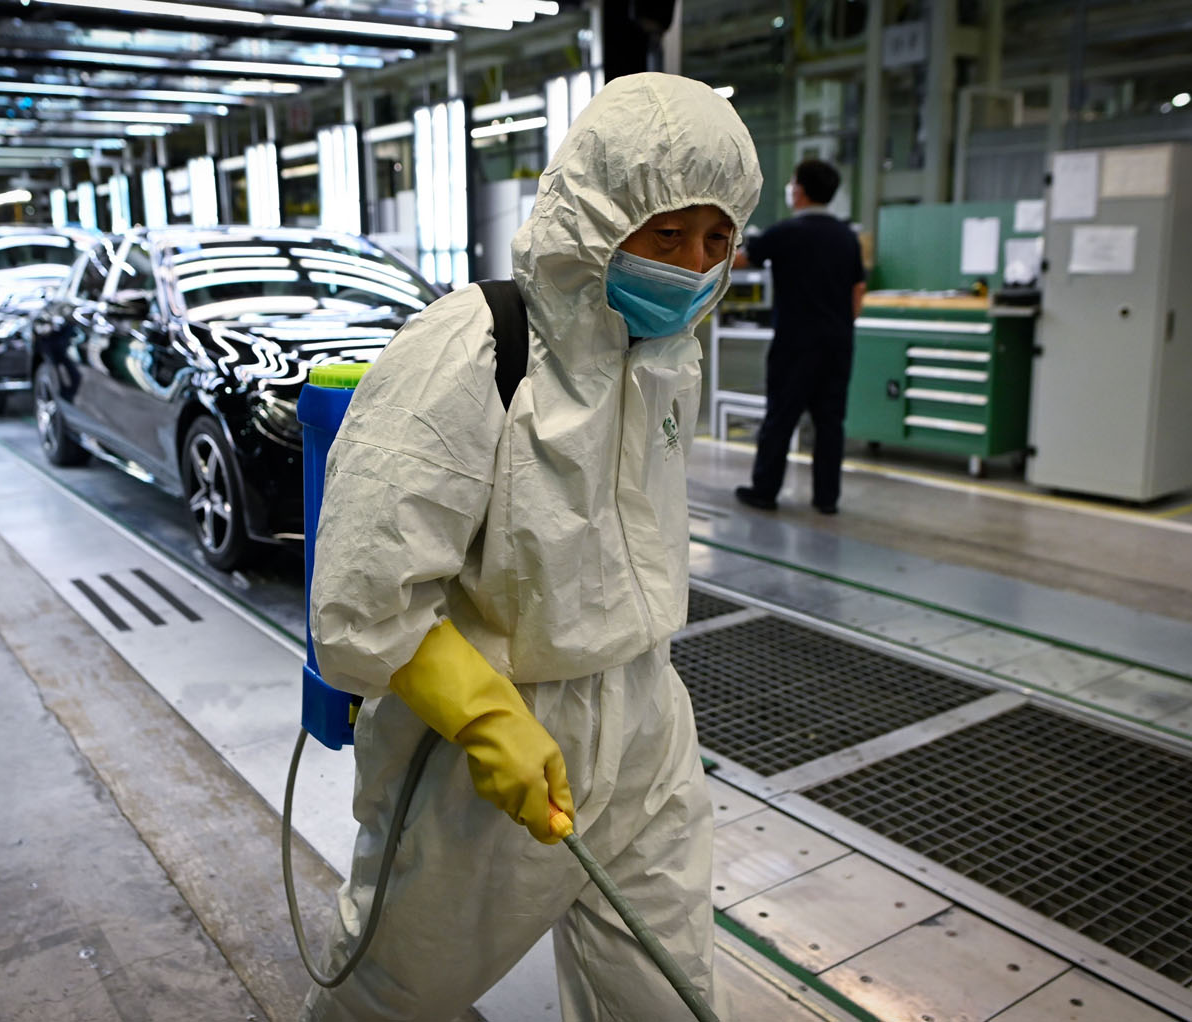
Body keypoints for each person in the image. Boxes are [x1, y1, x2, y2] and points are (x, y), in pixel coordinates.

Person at [303, 73, 761, 1021]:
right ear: (598, 218)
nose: (693, 265)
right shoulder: (473, 344)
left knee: (664, 994)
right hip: (488, 749)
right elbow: (363, 588)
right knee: (396, 996)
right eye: (667, 234)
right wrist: (484, 717)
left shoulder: (667, 352)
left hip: (646, 722)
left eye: (718, 240)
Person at [732, 158, 865, 514]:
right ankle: (826, 498)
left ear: (800, 191)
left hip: (796, 342)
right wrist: (839, 325)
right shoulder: (847, 237)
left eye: (792, 183)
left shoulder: (787, 233)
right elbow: (858, 291)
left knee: (781, 416)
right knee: (830, 422)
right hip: (837, 343)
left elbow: (740, 261)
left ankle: (766, 490)